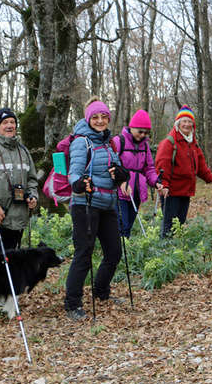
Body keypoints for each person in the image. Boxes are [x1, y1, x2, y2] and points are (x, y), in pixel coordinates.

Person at [63, 97, 130, 321]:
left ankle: (101, 292)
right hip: (86, 205)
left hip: (108, 203)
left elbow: (117, 169)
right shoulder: (82, 142)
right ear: (88, 119)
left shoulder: (108, 142)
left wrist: (121, 175)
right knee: (84, 253)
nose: (100, 121)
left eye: (104, 117)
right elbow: (74, 171)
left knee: (114, 252)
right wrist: (78, 183)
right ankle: (72, 304)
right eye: (95, 117)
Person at [154, 105, 212, 238]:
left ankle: (177, 253)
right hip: (170, 192)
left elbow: (200, 164)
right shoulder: (169, 142)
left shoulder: (192, 142)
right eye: (184, 121)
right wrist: (163, 184)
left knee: (180, 224)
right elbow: (162, 165)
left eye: (190, 122)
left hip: (186, 191)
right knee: (169, 227)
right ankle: (165, 252)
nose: (187, 124)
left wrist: (210, 177)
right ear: (178, 123)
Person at [0, 107, 38, 254]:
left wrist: (33, 196)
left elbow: (32, 179)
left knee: (12, 267)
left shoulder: (24, 151)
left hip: (18, 220)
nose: (9, 125)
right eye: (5, 122)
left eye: (12, 122)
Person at [114, 109, 163, 236]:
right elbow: (111, 164)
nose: (142, 135)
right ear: (131, 127)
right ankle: (119, 252)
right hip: (121, 191)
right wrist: (121, 182)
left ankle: (127, 250)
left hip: (136, 191)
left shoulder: (145, 146)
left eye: (146, 133)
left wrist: (156, 182)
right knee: (121, 225)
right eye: (140, 131)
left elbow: (149, 168)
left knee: (129, 225)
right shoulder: (119, 141)